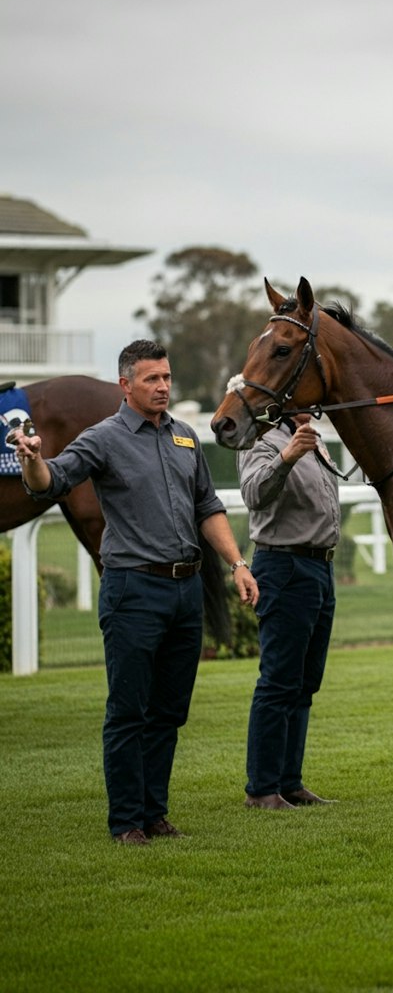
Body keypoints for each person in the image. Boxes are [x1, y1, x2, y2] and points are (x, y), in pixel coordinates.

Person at [11, 340, 259, 845]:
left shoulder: (186, 438)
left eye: (166, 377)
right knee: (129, 710)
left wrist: (236, 563)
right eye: (151, 379)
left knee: (169, 711)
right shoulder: (101, 439)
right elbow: (50, 481)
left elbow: (208, 507)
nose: (163, 386)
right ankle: (126, 821)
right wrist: (34, 461)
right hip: (133, 591)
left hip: (185, 589)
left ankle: (155, 814)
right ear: (126, 385)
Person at [237, 413, 339, 810]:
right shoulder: (262, 439)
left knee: (305, 683)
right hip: (284, 565)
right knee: (279, 681)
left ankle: (289, 782)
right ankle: (261, 789)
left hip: (320, 566)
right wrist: (287, 456)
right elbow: (252, 494)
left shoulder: (314, 436)